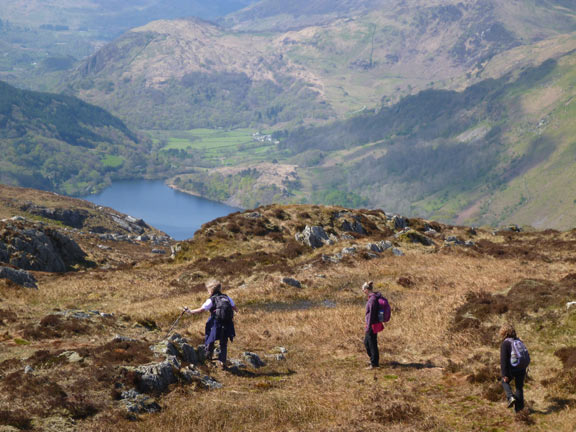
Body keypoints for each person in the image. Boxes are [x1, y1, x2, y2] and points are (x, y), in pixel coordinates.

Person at [184, 280, 238, 369]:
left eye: (208, 289)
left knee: (210, 338)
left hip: (215, 322)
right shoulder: (226, 297)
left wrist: (190, 312)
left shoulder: (211, 299)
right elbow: (235, 308)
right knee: (223, 343)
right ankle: (222, 362)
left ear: (211, 290)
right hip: (227, 323)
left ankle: (208, 356)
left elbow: (201, 310)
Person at [499, 324, 528, 412]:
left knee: (504, 382)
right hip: (522, 367)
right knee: (519, 387)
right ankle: (519, 410)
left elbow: (503, 360)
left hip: (512, 368)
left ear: (503, 333)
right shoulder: (519, 341)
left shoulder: (505, 343)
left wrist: (504, 374)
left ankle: (510, 397)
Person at [362, 281, 385, 369]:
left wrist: (368, 326)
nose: (363, 292)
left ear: (367, 289)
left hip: (372, 325)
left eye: (364, 290)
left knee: (370, 343)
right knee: (369, 342)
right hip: (373, 324)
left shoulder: (372, 300)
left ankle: (374, 363)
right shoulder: (373, 298)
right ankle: (373, 359)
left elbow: (371, 314)